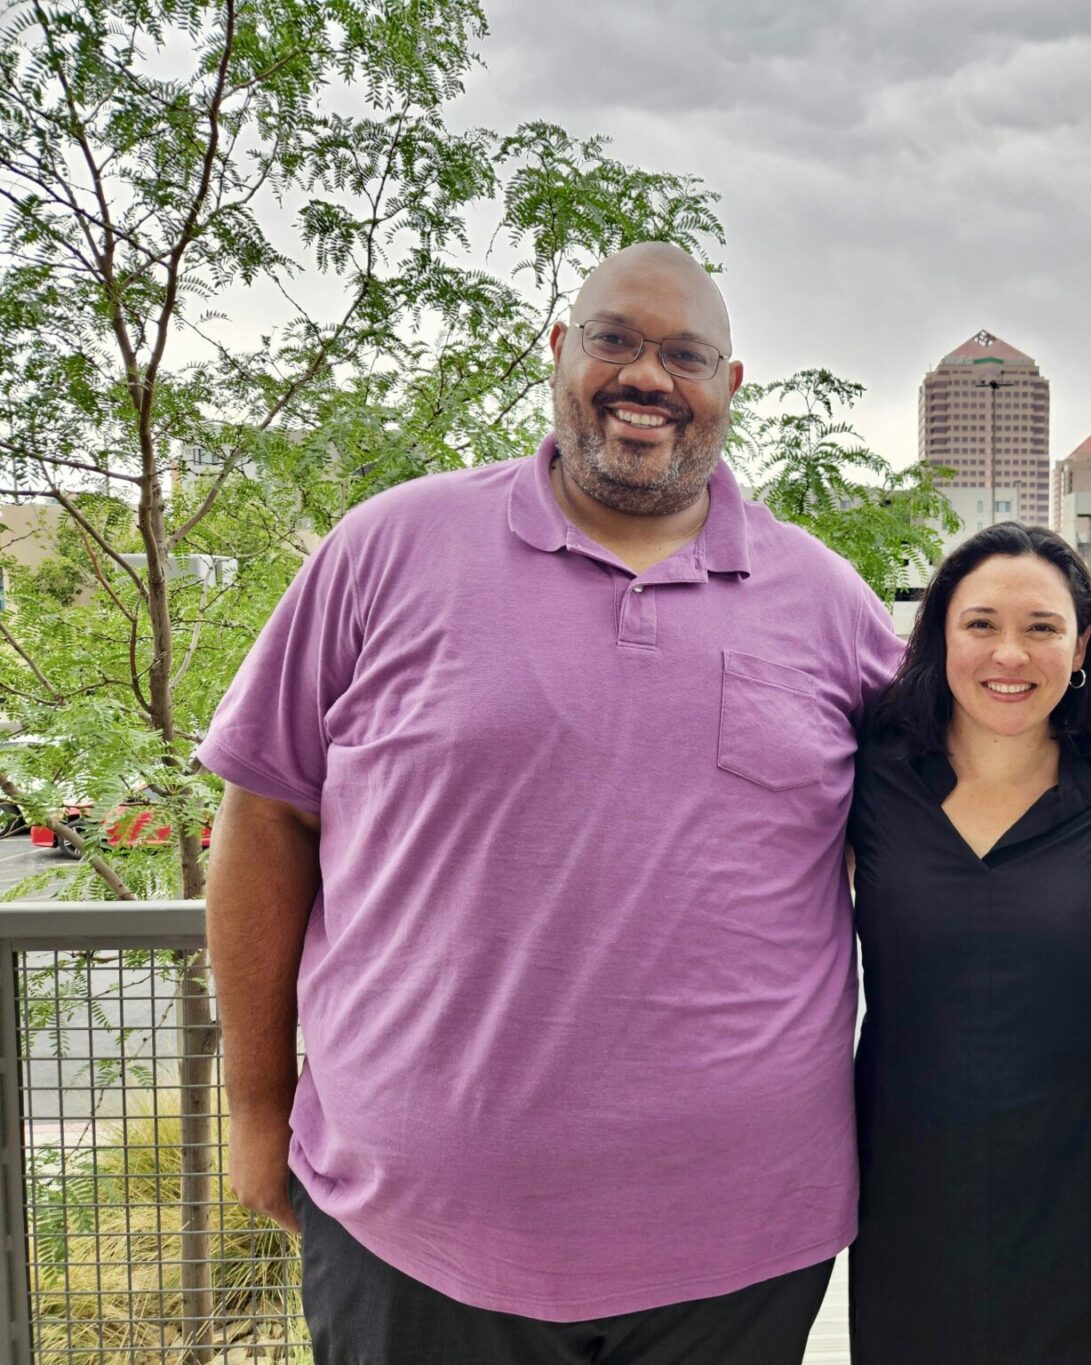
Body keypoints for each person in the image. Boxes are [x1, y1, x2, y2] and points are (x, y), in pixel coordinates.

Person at [201, 242, 901, 1365]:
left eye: (684, 354)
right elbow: (264, 814)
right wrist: (251, 1106)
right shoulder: (387, 548)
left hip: (740, 1250)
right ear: (559, 351)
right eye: (615, 338)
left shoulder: (828, 603)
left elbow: (966, 803)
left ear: (729, 389)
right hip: (411, 1233)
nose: (645, 377)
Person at [845, 522, 1091, 1365]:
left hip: (1076, 1169)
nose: (1009, 655)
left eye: (1042, 627)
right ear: (940, 634)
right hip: (903, 1160)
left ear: (1083, 641)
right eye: (981, 624)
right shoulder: (868, 774)